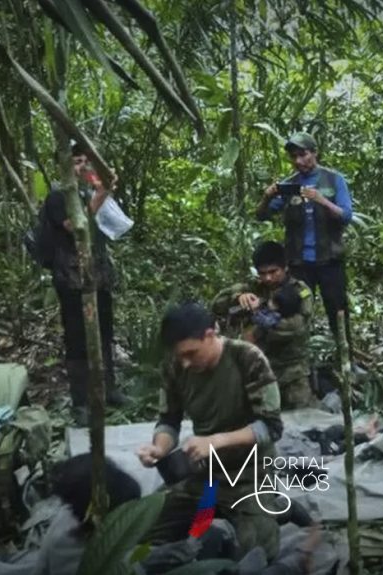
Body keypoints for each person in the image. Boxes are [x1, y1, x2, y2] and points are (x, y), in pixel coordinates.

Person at [136, 303, 282, 561]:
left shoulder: (247, 358)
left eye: (191, 353)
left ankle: (278, 507)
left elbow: (270, 427)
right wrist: (159, 447)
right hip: (205, 475)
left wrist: (216, 441)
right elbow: (169, 420)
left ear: (210, 334)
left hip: (249, 473)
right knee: (140, 530)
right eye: (180, 355)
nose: (185, 362)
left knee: (259, 552)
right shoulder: (176, 366)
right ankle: (210, 518)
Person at [44, 143, 130, 423]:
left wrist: (103, 190)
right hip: (71, 280)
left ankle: (110, 389)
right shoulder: (58, 196)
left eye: (85, 161)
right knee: (77, 339)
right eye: (76, 162)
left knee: (105, 333)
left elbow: (110, 227)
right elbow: (75, 225)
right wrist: (102, 193)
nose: (82, 166)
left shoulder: (90, 191)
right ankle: (80, 401)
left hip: (98, 275)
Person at [256, 132, 354, 356]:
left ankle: (346, 358)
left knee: (337, 311)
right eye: (294, 156)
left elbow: (346, 216)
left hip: (330, 261)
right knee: (295, 311)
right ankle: (299, 359)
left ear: (314, 153)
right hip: (299, 263)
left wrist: (322, 200)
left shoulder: (333, 179)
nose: (298, 161)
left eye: (303, 154)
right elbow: (262, 215)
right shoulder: (290, 184)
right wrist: (267, 196)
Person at [212, 241, 317, 409]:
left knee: (302, 420)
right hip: (258, 372)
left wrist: (259, 325)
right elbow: (217, 303)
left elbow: (297, 327)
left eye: (273, 272)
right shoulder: (254, 287)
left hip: (292, 372)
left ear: (285, 268)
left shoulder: (300, 291)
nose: (268, 278)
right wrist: (238, 297)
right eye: (263, 273)